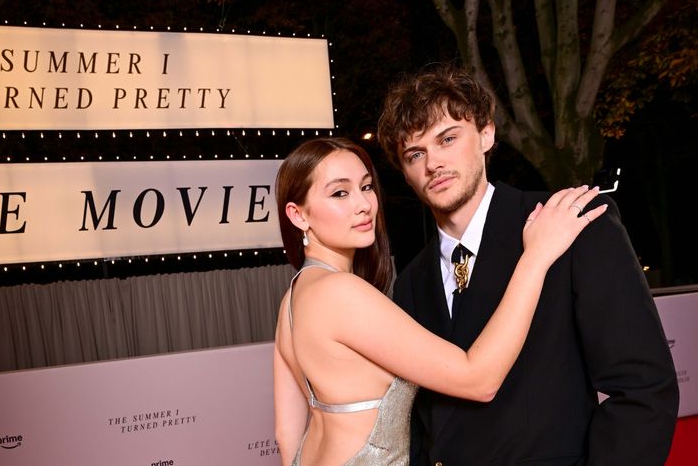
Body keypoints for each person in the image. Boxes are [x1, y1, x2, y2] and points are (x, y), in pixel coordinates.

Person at [376, 64, 679, 466]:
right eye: (416, 154)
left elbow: (644, 389)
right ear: (406, 173)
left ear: (486, 134)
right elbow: (420, 420)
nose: (433, 164)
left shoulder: (573, 221)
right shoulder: (412, 282)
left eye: (447, 138)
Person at [272, 136, 606, 466]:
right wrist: (537, 256)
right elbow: (478, 379)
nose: (363, 205)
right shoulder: (340, 292)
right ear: (298, 215)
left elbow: (286, 435)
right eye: (340, 193)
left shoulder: (293, 298)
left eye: (367, 187)